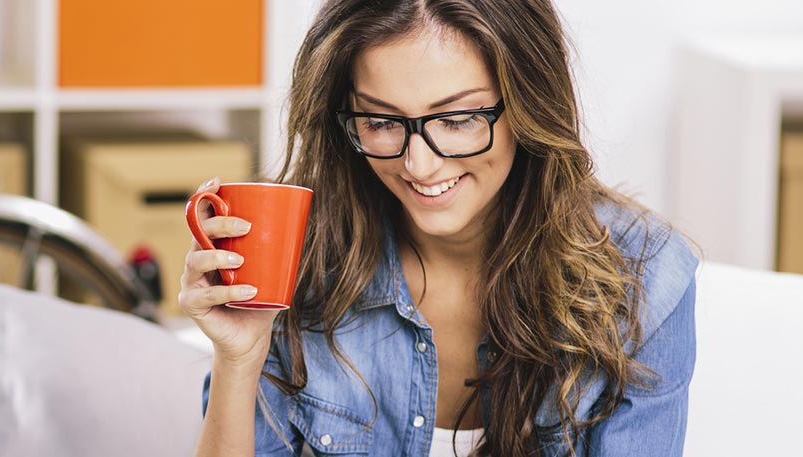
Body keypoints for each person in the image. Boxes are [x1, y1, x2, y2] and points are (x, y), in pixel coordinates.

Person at [181, 0, 699, 455]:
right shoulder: (298, 254)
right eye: (382, 122)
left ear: (529, 104)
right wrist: (238, 358)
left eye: (456, 120)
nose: (420, 166)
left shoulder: (644, 279)